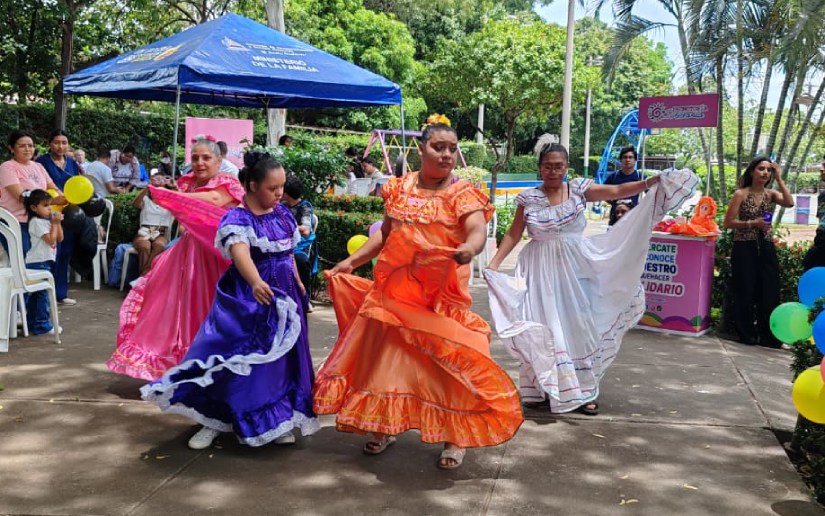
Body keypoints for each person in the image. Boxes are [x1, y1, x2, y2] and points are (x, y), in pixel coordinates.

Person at [313, 122, 522, 471]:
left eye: (452, 148)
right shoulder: (400, 188)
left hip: (441, 297)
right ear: (421, 150)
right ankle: (384, 425)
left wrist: (470, 249)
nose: (447, 154)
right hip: (396, 295)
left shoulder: (463, 193)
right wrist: (350, 262)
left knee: (447, 368)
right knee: (388, 360)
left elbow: (476, 230)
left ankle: (455, 436)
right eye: (439, 147)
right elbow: (385, 234)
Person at [484, 137, 698, 415]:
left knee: (578, 327)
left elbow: (616, 190)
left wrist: (650, 182)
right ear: (540, 168)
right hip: (538, 270)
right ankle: (544, 388)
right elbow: (514, 233)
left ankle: (584, 390)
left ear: (566, 167)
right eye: (547, 166)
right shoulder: (528, 198)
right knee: (544, 326)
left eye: (558, 166)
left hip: (576, 268)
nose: (553, 171)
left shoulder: (578, 189)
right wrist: (494, 264)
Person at [141, 153, 318, 450]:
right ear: (252, 186)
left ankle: (275, 420)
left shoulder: (283, 214)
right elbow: (240, 252)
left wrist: (298, 281)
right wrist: (255, 281)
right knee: (233, 357)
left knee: (277, 362)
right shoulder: (237, 219)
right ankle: (214, 421)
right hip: (248, 298)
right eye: (272, 188)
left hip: (284, 297)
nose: (279, 194)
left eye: (281, 187)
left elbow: (288, 253)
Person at [107, 138, 245, 381]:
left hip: (216, 255)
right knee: (175, 306)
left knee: (214, 306)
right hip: (188, 252)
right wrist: (171, 195)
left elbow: (215, 200)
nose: (200, 163)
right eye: (195, 158)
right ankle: (181, 360)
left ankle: (212, 362)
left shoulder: (227, 182)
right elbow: (182, 216)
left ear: (219, 160)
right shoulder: (188, 183)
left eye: (206, 158)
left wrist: (171, 195)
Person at [722, 157, 794, 348]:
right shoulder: (741, 194)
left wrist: (779, 178)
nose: (765, 173)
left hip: (766, 245)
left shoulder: (771, 194)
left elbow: (789, 203)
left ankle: (768, 336)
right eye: (761, 169)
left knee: (769, 290)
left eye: (769, 170)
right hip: (744, 245)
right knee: (745, 289)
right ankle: (746, 334)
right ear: (752, 171)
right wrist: (753, 223)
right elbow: (728, 222)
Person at [36, 129, 84, 306]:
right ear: (49, 144)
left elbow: (79, 185)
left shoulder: (72, 163)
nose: (60, 146)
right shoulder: (41, 163)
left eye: (64, 143)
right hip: (49, 212)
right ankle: (44, 295)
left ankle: (61, 293)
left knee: (65, 252)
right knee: (51, 252)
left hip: (70, 213)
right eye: (56, 142)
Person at [0, 130, 65, 259]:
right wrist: (53, 201)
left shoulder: (38, 166)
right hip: (16, 223)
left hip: (39, 221)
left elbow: (52, 187)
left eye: (30, 145)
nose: (27, 149)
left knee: (44, 259)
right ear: (11, 149)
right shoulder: (7, 167)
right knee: (23, 260)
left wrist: (63, 197)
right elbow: (22, 196)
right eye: (21, 146)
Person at [23, 190, 64, 335]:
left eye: (50, 205)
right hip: (37, 262)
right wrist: (55, 224)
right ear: (34, 208)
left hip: (43, 262)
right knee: (42, 295)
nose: (49, 209)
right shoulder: (36, 222)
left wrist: (57, 223)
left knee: (38, 294)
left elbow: (60, 238)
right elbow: (51, 240)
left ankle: (32, 323)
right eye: (46, 206)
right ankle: (42, 324)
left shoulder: (46, 222)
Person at [281, 176, 315, 311]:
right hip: (281, 243)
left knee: (301, 260)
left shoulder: (305, 207)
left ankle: (305, 298)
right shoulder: (281, 206)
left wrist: (287, 226)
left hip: (299, 245)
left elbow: (306, 230)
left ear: (286, 193)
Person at [131, 174, 175, 276]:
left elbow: (182, 202)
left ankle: (143, 276)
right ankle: (146, 278)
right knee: (144, 246)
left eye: (161, 179)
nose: (157, 180)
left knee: (159, 245)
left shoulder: (169, 202)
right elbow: (135, 204)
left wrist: (174, 187)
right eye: (155, 178)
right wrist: (147, 187)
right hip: (144, 232)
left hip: (161, 234)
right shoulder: (146, 200)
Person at [604, 146, 645, 220]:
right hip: (616, 215)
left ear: (635, 160)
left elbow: (651, 193)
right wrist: (614, 203)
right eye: (625, 157)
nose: (627, 160)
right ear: (621, 160)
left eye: (630, 157)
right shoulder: (613, 176)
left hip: (633, 215)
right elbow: (603, 193)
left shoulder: (641, 177)